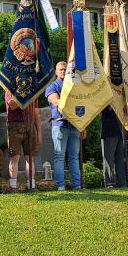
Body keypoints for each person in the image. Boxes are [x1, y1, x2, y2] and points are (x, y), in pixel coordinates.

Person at [45, 61, 81, 191]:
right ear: (55, 71)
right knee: (59, 156)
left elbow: (82, 106)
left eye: (65, 69)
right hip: (60, 124)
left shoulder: (74, 87)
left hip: (75, 125)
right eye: (60, 69)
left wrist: (83, 124)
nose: (62, 71)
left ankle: (77, 186)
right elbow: (55, 101)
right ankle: (61, 186)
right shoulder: (52, 86)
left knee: (74, 157)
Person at [5, 91, 35, 192]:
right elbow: (12, 105)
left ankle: (31, 186)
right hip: (14, 125)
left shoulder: (31, 88)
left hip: (29, 124)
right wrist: (25, 96)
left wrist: (39, 131)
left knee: (30, 157)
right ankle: (13, 187)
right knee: (15, 157)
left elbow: (35, 110)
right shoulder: (8, 89)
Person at [100, 105, 128, 189]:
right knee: (108, 159)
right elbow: (99, 108)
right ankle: (109, 183)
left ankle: (122, 183)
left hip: (120, 129)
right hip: (108, 129)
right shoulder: (103, 94)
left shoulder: (119, 93)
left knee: (120, 158)